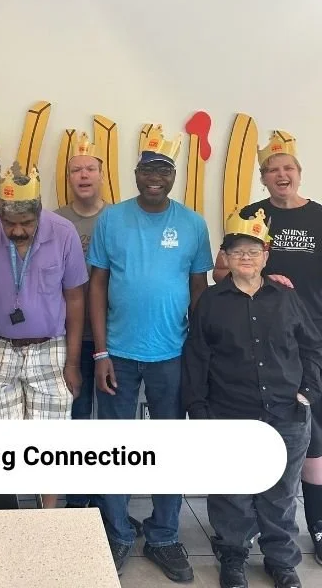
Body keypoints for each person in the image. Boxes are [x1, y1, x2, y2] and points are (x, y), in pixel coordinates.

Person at [88, 125, 213, 581]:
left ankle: (163, 535)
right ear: (135, 174)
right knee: (114, 448)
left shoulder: (193, 224)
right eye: (147, 170)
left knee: (167, 448)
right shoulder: (112, 219)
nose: (155, 177)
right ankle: (118, 532)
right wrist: (100, 353)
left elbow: (199, 290)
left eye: (163, 169)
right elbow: (97, 284)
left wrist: (198, 356)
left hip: (173, 355)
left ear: (174, 175)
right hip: (118, 353)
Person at [183, 208, 322, 588]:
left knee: (280, 492)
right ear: (225, 257)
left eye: (253, 251)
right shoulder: (210, 302)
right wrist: (198, 407)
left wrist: (308, 392)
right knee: (232, 490)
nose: (245, 257)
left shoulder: (286, 297)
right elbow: (196, 355)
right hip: (230, 413)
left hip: (287, 412)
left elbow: (312, 347)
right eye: (237, 251)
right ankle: (233, 557)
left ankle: (281, 561)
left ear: (266, 255)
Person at [213, 131, 322, 565]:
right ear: (262, 177)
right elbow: (223, 272)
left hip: (311, 342)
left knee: (313, 442)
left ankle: (315, 525)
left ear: (299, 174)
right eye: (273, 169)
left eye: (288, 168)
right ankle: (244, 536)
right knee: (252, 442)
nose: (282, 175)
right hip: (258, 348)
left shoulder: (318, 217)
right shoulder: (249, 215)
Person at [0, 161, 88, 508]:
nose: (16, 231)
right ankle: (9, 516)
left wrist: (72, 363)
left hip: (51, 347)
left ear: (39, 213)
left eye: (25, 224)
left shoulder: (63, 233)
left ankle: (47, 517)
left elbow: (75, 299)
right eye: (9, 223)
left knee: (51, 443)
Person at [55, 132, 108, 509]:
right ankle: (74, 500)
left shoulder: (119, 218)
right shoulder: (53, 220)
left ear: (102, 175)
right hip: (67, 334)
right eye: (77, 170)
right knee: (73, 414)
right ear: (69, 178)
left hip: (112, 336)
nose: (84, 174)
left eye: (91, 168)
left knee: (108, 421)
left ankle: (107, 503)